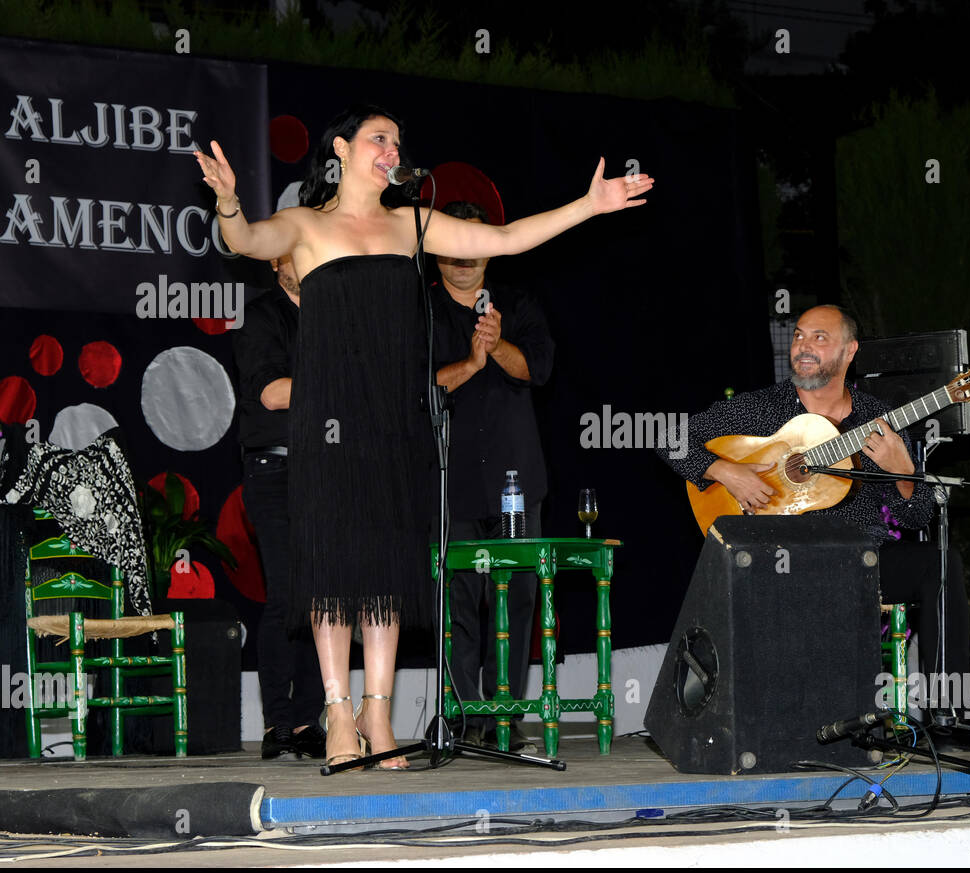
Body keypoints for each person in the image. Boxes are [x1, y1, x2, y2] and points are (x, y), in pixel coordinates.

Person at [194, 104, 652, 769]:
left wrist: (587, 205)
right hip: (327, 420)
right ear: (342, 150)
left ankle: (379, 717)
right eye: (379, 138)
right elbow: (245, 242)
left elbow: (505, 240)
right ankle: (340, 713)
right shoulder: (307, 227)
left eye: (398, 141)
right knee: (332, 573)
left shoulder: (413, 224)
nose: (392, 148)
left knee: (382, 574)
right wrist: (230, 202)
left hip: (393, 421)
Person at [657, 305, 970, 705]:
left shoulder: (879, 420)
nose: (804, 346)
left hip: (859, 560)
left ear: (850, 351)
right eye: (800, 336)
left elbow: (916, 515)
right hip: (778, 561)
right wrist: (725, 472)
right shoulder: (762, 408)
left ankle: (954, 712)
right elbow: (670, 437)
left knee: (941, 563)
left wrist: (904, 473)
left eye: (820, 338)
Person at [432, 199, 554, 753]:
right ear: (436, 253)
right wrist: (473, 365)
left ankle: (504, 716)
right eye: (453, 244)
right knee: (457, 603)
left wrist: (496, 344)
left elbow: (538, 370)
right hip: (449, 480)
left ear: (490, 252)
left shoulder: (518, 305)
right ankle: (461, 717)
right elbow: (418, 387)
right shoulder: (421, 310)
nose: (463, 256)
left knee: (517, 601)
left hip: (514, 485)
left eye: (474, 244)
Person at [232, 253, 326, 760]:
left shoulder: (334, 317)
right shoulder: (261, 315)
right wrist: (342, 382)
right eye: (294, 251)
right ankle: (278, 722)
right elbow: (271, 394)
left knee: (324, 597)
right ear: (274, 261)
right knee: (288, 593)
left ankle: (311, 719)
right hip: (276, 468)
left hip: (329, 470)